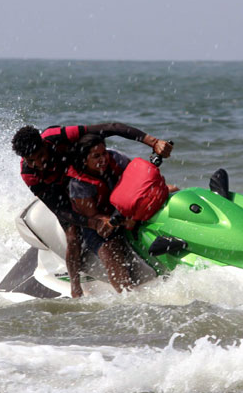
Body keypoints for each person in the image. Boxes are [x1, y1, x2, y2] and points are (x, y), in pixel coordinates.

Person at [11, 123, 172, 297]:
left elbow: (111, 128)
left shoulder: (56, 136)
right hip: (59, 191)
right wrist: (93, 223)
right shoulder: (29, 174)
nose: (38, 164)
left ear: (44, 144)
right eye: (31, 161)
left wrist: (153, 142)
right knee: (73, 236)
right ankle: (75, 285)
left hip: (81, 173)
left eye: (40, 156)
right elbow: (58, 208)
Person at [66, 134, 135, 294]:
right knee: (111, 248)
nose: (103, 159)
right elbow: (96, 218)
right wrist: (124, 221)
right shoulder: (79, 183)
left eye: (104, 153)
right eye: (96, 156)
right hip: (94, 223)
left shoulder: (116, 158)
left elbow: (138, 178)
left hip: (122, 210)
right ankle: (126, 296)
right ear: (84, 160)